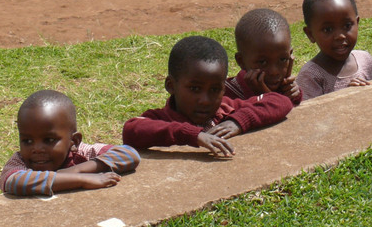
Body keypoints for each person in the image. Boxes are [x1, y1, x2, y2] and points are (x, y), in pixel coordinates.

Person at [122, 35, 293, 157]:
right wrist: (192, 135)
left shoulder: (226, 110)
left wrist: (237, 122)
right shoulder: (162, 118)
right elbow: (131, 129)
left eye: (215, 90)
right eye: (195, 88)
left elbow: (281, 101)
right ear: (171, 86)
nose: (205, 100)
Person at [0, 90, 140, 197]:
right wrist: (81, 179)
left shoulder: (82, 153)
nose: (37, 149)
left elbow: (129, 154)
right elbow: (16, 182)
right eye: (27, 141)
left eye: (49, 140)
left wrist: (77, 169)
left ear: (74, 141)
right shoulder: (19, 163)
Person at [295, 0, 372, 98]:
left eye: (347, 25)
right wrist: (346, 97)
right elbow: (310, 114)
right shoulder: (311, 76)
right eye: (328, 29)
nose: (340, 36)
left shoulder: (366, 61)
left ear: (357, 23)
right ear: (310, 34)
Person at [227, 8, 302, 106]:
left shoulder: (284, 87)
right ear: (241, 61)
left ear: (290, 55)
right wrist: (264, 96)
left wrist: (295, 93)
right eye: (262, 62)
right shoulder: (228, 95)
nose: (274, 71)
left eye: (283, 59)